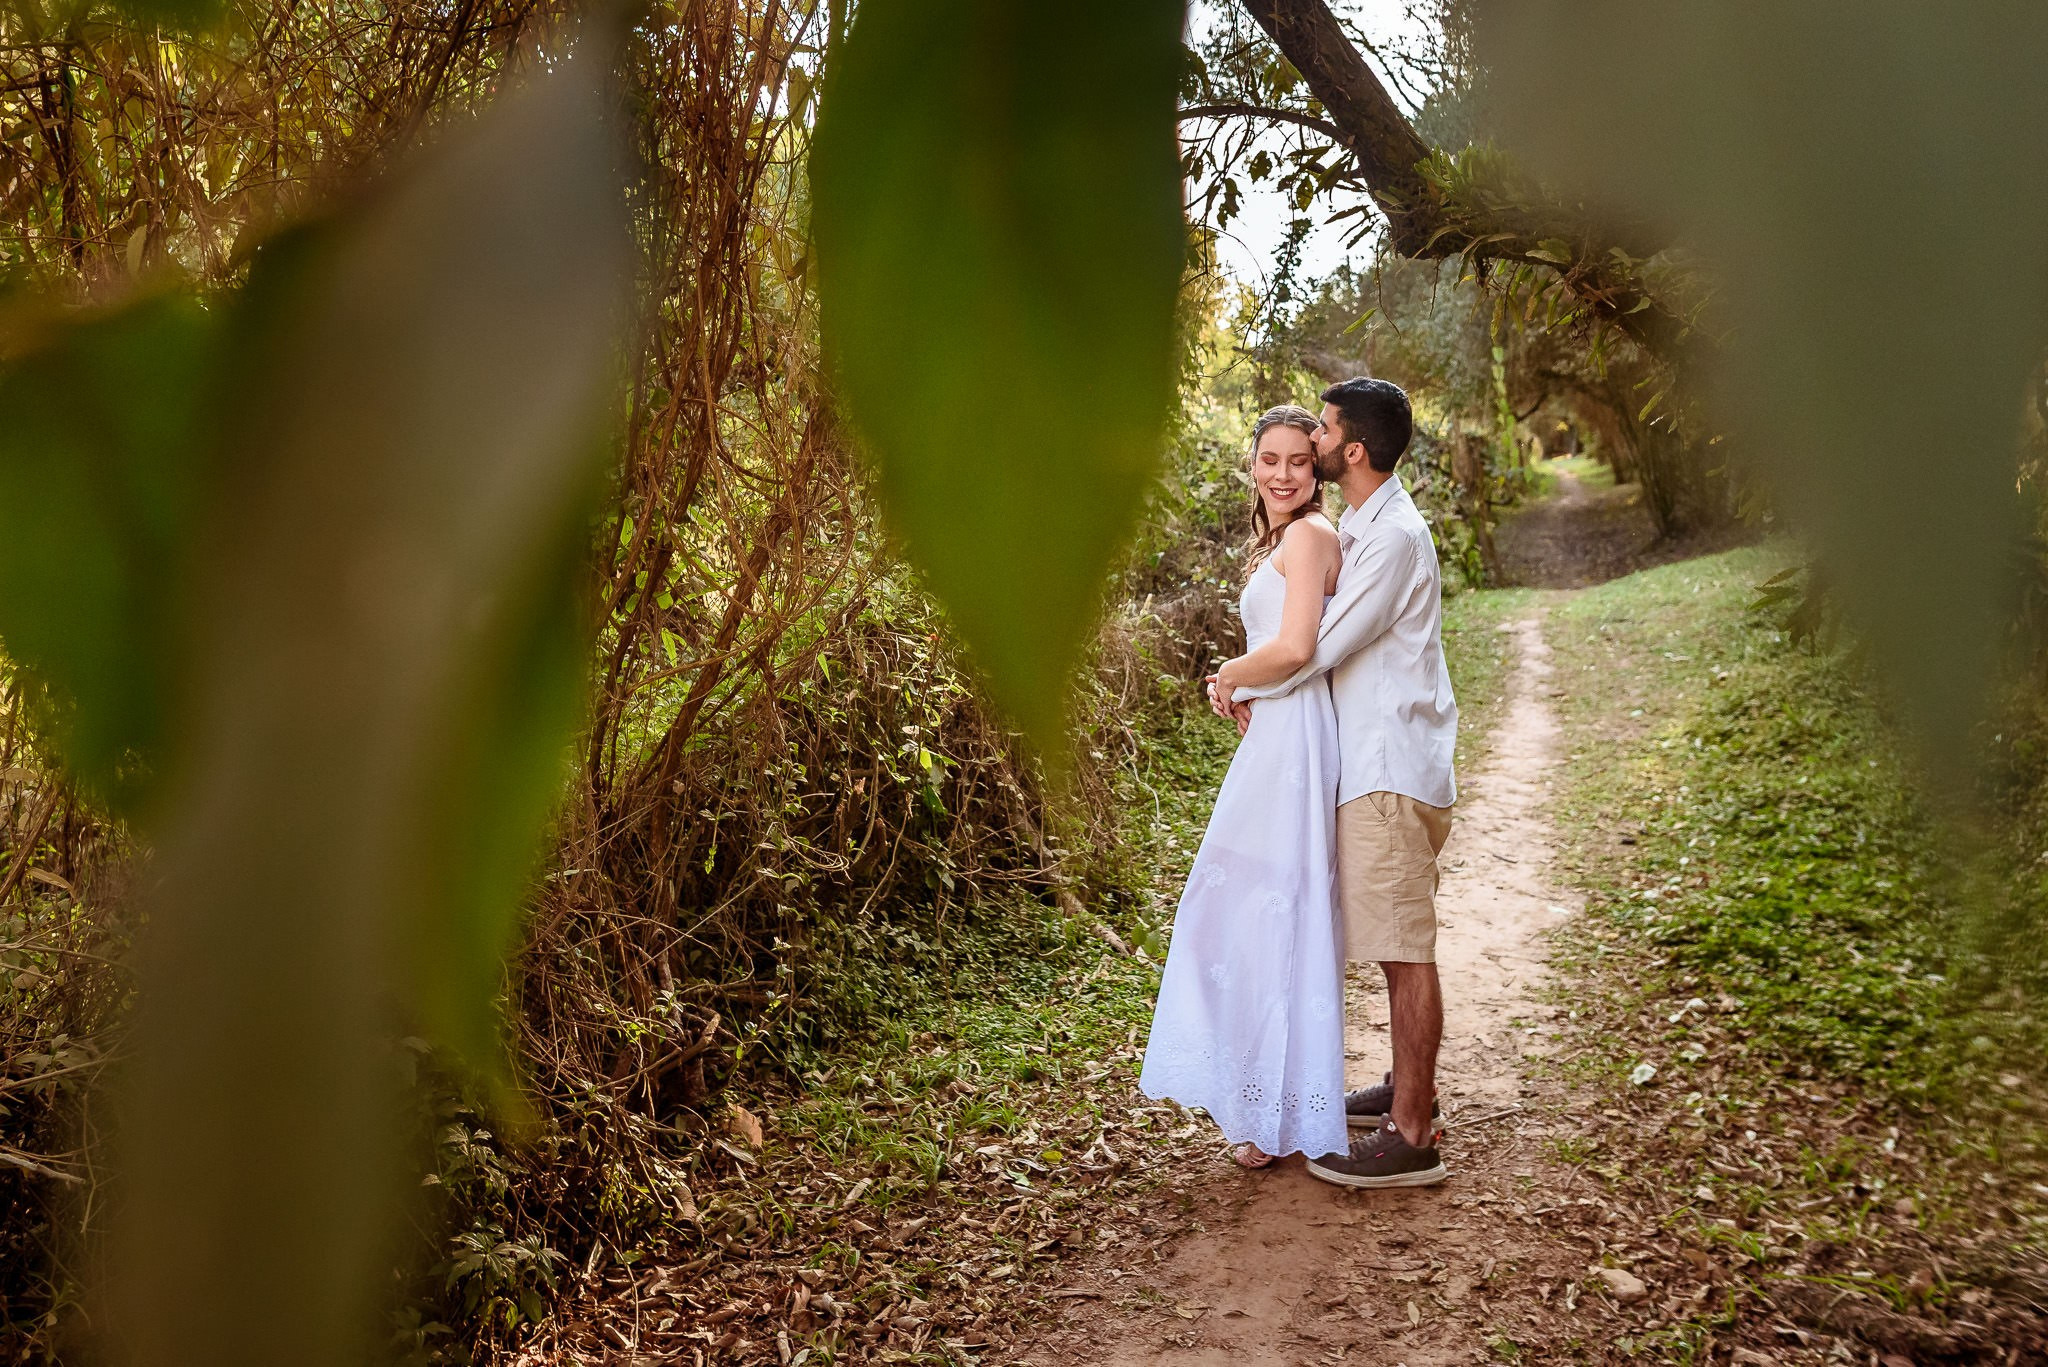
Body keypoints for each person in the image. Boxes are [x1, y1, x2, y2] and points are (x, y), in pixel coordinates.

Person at [1212, 377, 1458, 1189]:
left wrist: (1234, 675)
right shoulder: (1362, 521)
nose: (1306, 447)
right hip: (1364, 758)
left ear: (1350, 449)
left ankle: (1412, 1129)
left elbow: (1313, 648)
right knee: (1384, 939)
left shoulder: (1389, 537)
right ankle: (1400, 1084)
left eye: (1318, 432)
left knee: (1401, 946)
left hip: (1389, 764)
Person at [1137, 405, 1349, 1168]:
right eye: (1271, 458)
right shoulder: (1275, 541)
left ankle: (1276, 1111)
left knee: (1265, 911)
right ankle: (1263, 1102)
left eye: (1299, 459)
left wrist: (1229, 674)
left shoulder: (1309, 534)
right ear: (1251, 463)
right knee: (1242, 910)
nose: (1284, 473)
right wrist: (1244, 689)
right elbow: (1280, 650)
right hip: (1276, 732)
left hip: (1295, 739)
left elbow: (1293, 646)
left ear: (1316, 468)